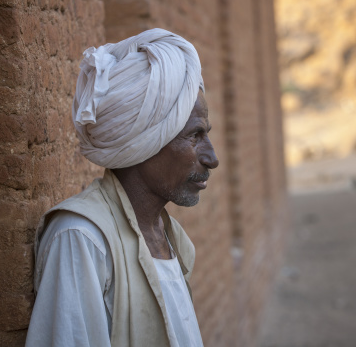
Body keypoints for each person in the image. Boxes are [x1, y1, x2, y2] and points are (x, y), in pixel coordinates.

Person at [25, 29, 219, 347]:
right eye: (195, 136)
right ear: (143, 143)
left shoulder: (174, 241)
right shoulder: (82, 239)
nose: (212, 158)